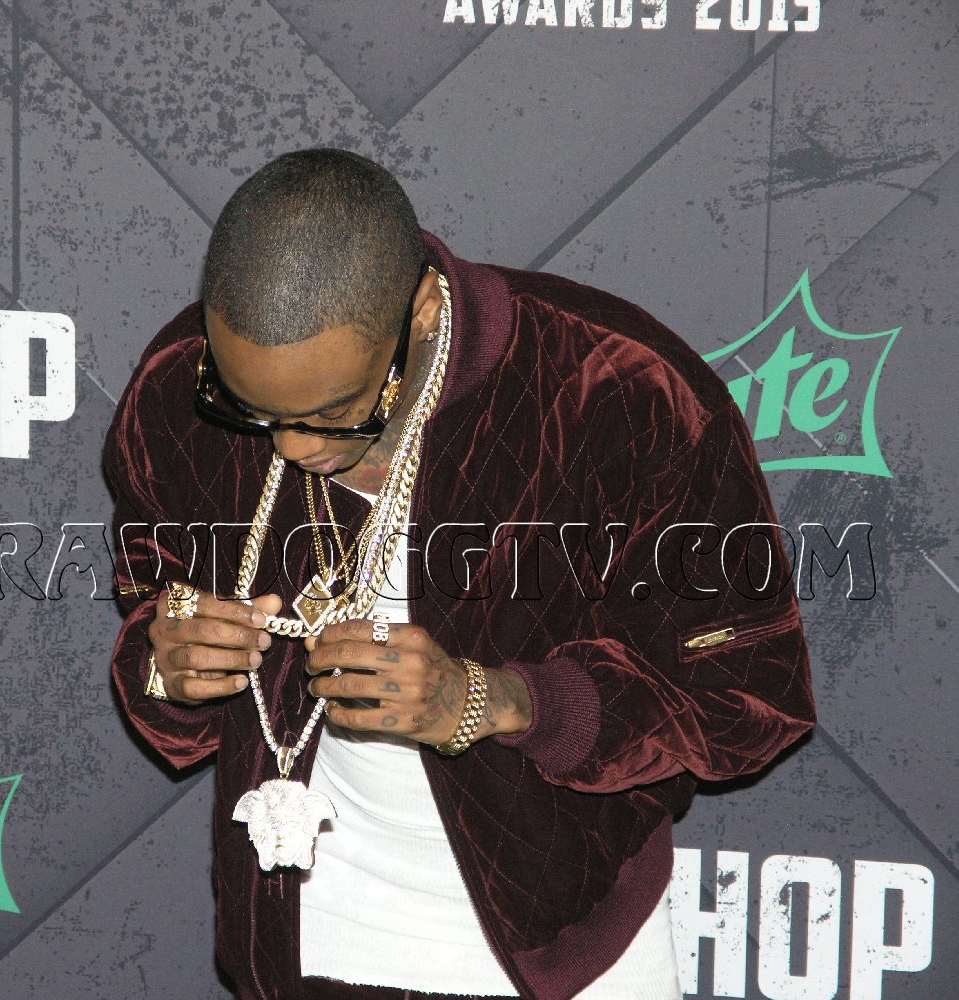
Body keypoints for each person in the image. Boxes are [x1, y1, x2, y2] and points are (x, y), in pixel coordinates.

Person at [104, 148, 815, 1000]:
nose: (290, 446)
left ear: (424, 313)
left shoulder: (619, 392)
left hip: (565, 949)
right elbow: (153, 614)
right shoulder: (177, 384)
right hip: (302, 931)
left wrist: (492, 700)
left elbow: (747, 698)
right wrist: (168, 664)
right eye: (253, 411)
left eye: (335, 412)